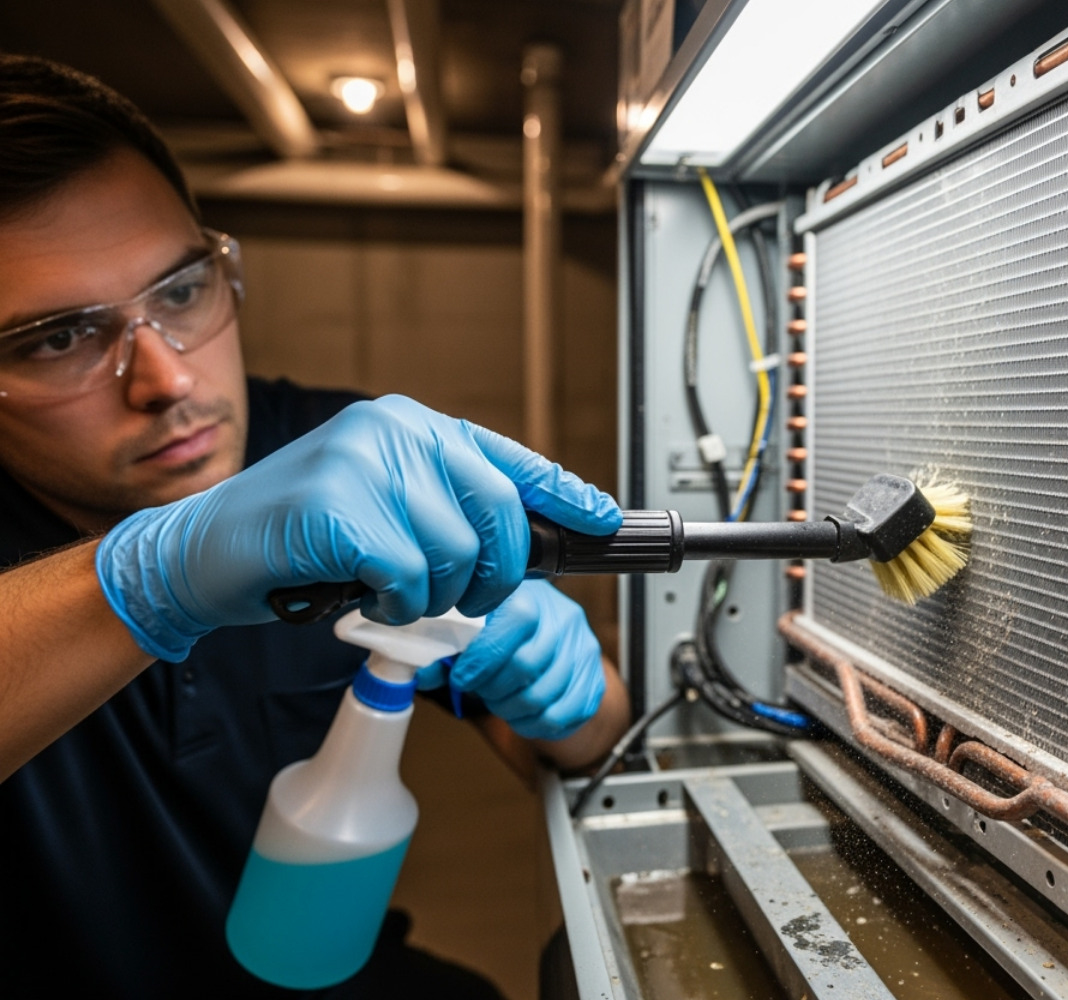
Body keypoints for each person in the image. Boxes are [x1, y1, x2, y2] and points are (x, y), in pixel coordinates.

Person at [0, 55, 628, 997]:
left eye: (180, 292)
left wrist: (572, 699)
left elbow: (571, 746)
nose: (167, 381)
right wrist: (146, 580)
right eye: (59, 338)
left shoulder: (330, 459)